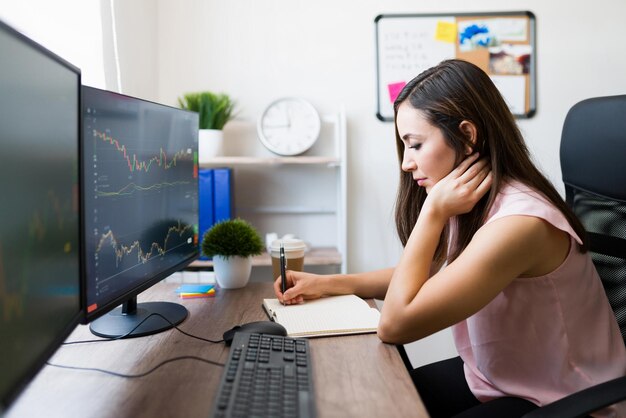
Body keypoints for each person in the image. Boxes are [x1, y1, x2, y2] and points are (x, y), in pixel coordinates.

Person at [274, 59, 626, 417]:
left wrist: (432, 214)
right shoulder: (477, 200)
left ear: (468, 135)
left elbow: (395, 325)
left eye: (415, 145)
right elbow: (422, 277)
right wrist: (331, 284)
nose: (406, 163)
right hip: (501, 379)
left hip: (565, 400)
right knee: (364, 400)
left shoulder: (519, 224)